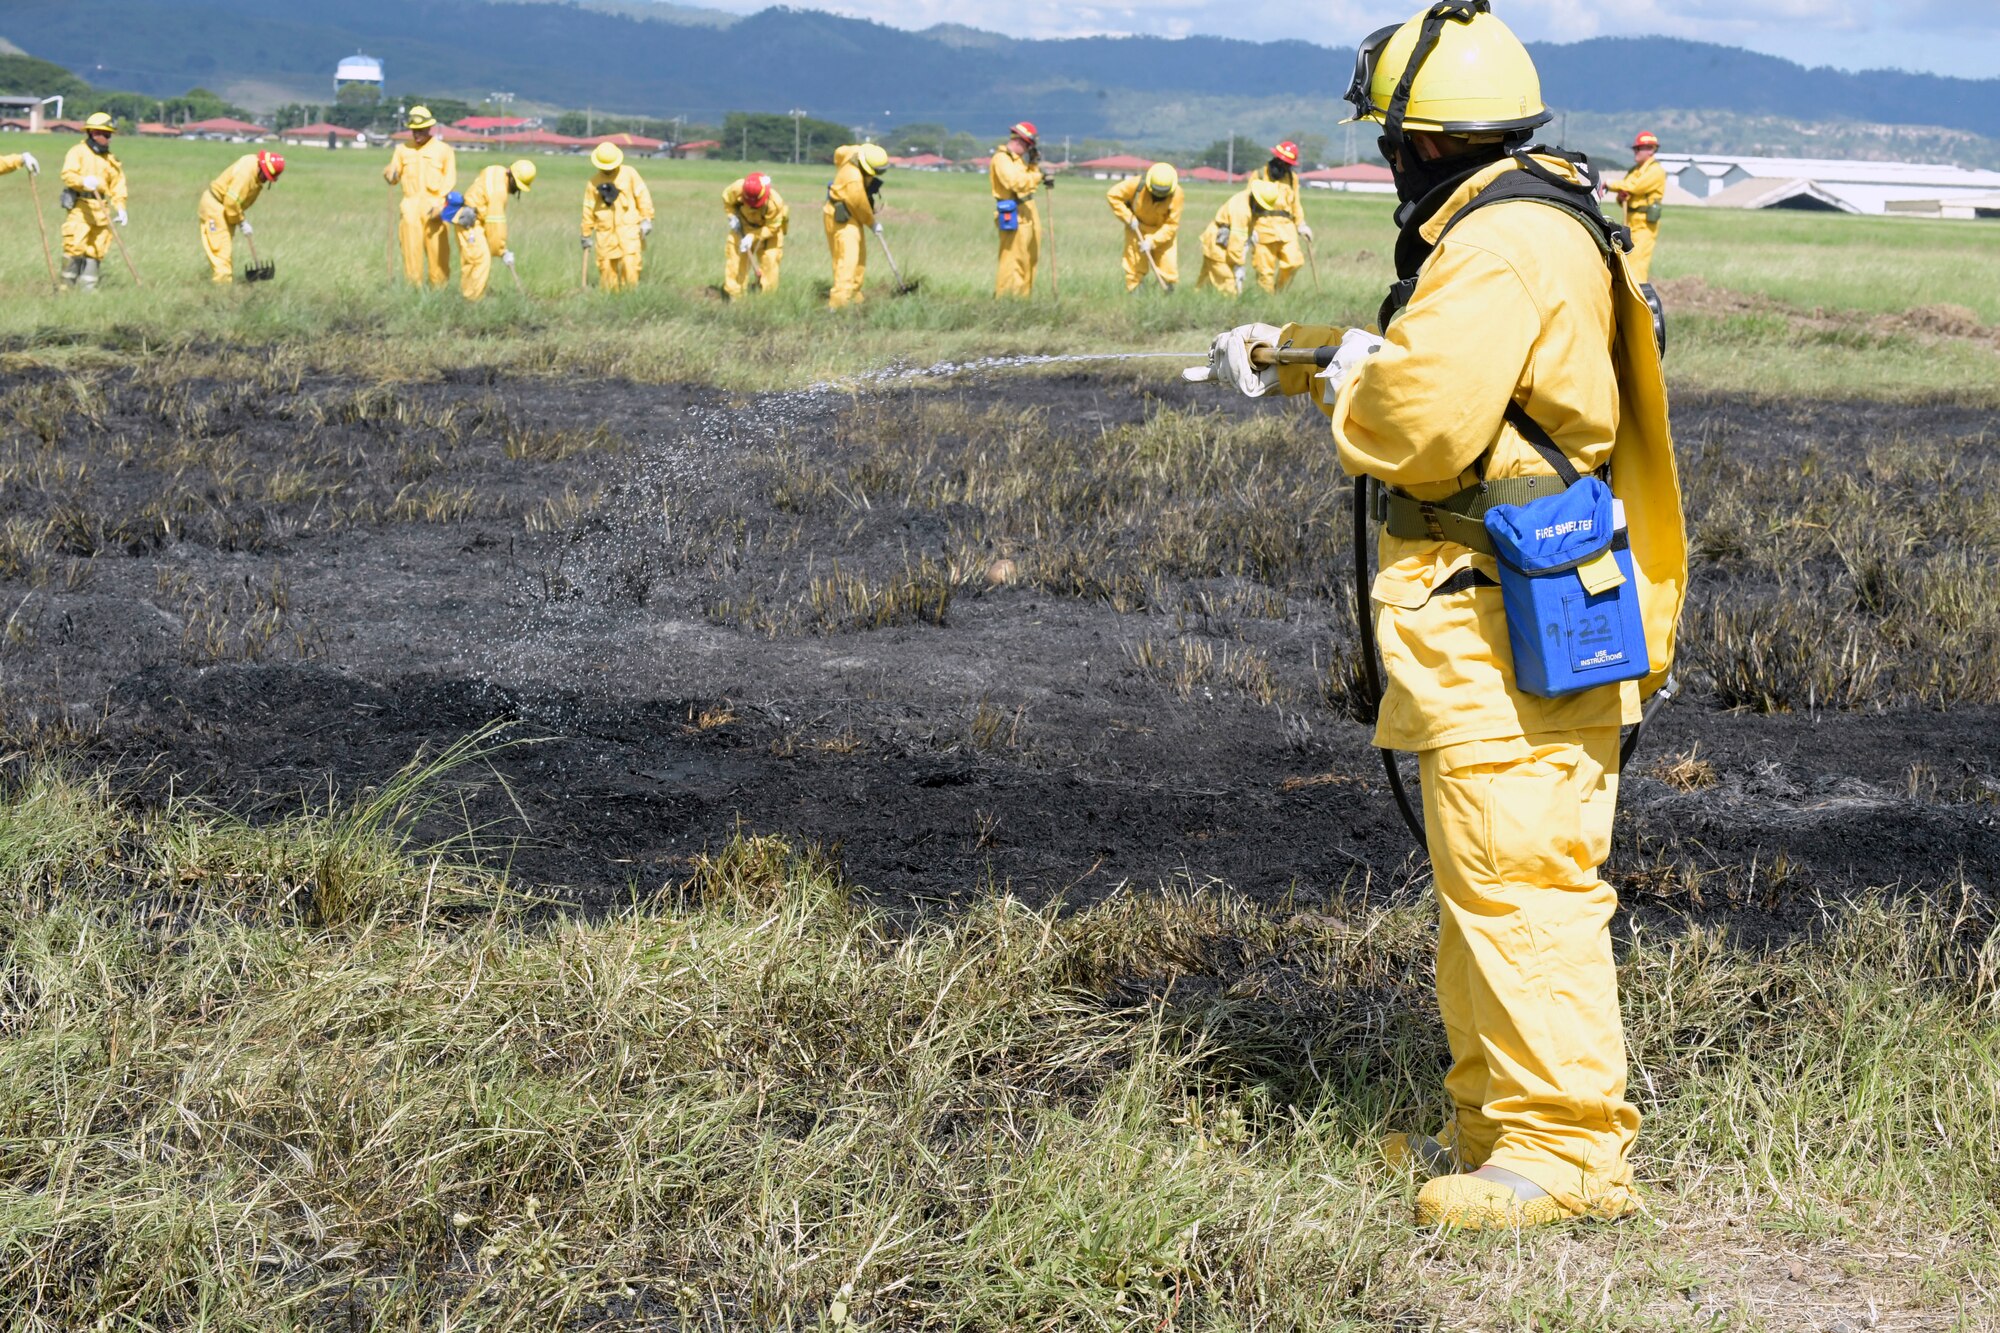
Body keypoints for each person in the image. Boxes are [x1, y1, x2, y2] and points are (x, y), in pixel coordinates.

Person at [1205, 0, 1686, 1232]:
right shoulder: (1538, 216)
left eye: (1386, 141)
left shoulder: (1494, 245)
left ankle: (1565, 1157)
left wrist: (1347, 382)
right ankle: (1497, 1136)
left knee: (1520, 880)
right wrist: (1304, 351)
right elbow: (1446, 370)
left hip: (1499, 616)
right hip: (1515, 605)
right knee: (1489, 876)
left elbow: (1421, 428)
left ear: (1417, 144)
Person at [384, 106, 456, 287]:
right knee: (410, 251)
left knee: (438, 254)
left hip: (436, 208)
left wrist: (441, 205)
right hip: (410, 207)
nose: (417, 134)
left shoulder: (444, 150)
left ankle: (439, 292)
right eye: (414, 131)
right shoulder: (402, 150)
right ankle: (413, 289)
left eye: (421, 130)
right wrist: (389, 173)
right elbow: (393, 176)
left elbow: (449, 179)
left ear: (429, 128)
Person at [450, 157, 535, 301]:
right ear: (513, 179)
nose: (516, 191)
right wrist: (502, 250)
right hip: (470, 222)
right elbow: (496, 224)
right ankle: (473, 300)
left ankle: (470, 295)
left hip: (472, 218)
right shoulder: (499, 192)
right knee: (480, 260)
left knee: (472, 261)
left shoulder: (496, 170)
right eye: (518, 187)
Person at [59, 113, 127, 291]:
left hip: (101, 210)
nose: (107, 139)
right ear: (92, 133)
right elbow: (67, 175)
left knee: (97, 249)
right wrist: (83, 182)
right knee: (75, 246)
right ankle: (65, 289)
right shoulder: (78, 152)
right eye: (104, 134)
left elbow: (118, 185)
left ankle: (88, 290)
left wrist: (120, 208)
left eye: (109, 135)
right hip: (80, 207)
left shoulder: (110, 159)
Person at [198, 150, 284, 284]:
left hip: (222, 208)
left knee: (223, 252)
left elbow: (234, 201)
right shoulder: (246, 174)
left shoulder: (252, 163)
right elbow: (231, 202)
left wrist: (240, 218)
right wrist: (242, 222)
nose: (265, 180)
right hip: (215, 208)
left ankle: (220, 284)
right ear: (261, 168)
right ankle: (221, 294)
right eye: (265, 176)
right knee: (222, 256)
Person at [580, 141, 654, 291]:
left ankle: (630, 298)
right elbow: (588, 210)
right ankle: (610, 301)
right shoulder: (593, 183)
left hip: (629, 230)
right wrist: (586, 234)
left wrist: (646, 218)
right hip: (605, 233)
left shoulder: (630, 174)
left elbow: (643, 196)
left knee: (630, 265)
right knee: (606, 270)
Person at [990, 121, 1050, 298]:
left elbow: (1027, 180)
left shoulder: (1018, 161)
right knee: (1013, 260)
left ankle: (1024, 299)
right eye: (1027, 145)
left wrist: (1033, 164)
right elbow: (1016, 183)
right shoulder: (1002, 159)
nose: (1027, 149)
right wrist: (1038, 176)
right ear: (1019, 140)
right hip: (1012, 211)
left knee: (1029, 259)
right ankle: (1007, 299)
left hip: (1028, 210)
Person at [823, 143, 886, 309]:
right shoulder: (853, 181)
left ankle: (854, 298)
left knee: (859, 258)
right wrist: (872, 223)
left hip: (851, 216)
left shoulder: (854, 153)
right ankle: (838, 306)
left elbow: (839, 152)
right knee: (847, 261)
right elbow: (860, 205)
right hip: (842, 218)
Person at [1247, 140, 1312, 293]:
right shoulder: (1259, 175)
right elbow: (1248, 202)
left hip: (1286, 229)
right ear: (1276, 159)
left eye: (1287, 164)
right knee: (1264, 271)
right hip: (1262, 228)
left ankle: (1280, 292)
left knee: (1294, 262)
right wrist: (1250, 229)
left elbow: (1296, 203)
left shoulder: (1292, 178)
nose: (1284, 166)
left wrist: (1302, 225)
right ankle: (1267, 300)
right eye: (1282, 162)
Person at [1106, 162, 1183, 292]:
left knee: (1168, 267)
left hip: (1162, 232)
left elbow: (1171, 224)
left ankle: (1167, 293)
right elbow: (1113, 195)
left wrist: (1152, 241)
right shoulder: (1137, 185)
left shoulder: (1177, 195)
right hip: (1137, 228)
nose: (1158, 195)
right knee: (1135, 265)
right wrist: (1129, 218)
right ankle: (1136, 293)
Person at [1607, 131, 1665, 284]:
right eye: (1635, 149)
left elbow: (1634, 187)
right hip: (1630, 222)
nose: (1636, 152)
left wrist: (1610, 184)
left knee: (1637, 264)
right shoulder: (1635, 170)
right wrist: (1620, 196)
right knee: (1626, 261)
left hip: (1644, 225)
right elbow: (1625, 192)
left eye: (1639, 149)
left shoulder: (1655, 171)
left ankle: (1640, 300)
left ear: (1650, 150)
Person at [722, 171, 788, 298]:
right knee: (736, 263)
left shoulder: (775, 203)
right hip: (742, 227)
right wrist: (731, 217)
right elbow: (727, 201)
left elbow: (772, 227)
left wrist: (752, 237)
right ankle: (735, 297)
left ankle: (765, 300)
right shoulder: (736, 189)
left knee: (770, 263)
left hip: (768, 233)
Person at [1195, 183, 1266, 296]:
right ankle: (1231, 308)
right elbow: (1235, 245)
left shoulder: (1247, 198)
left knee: (1205, 283)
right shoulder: (1242, 212)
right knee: (1228, 285)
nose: (1263, 212)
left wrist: (1250, 232)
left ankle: (1196, 299)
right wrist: (1239, 266)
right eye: (1262, 207)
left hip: (1216, 241)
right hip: (1217, 246)